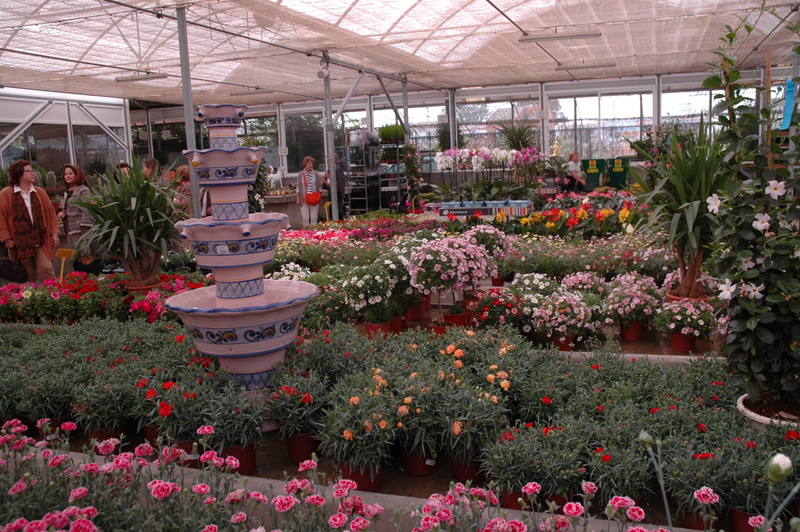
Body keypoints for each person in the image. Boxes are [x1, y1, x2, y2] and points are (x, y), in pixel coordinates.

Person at [0, 160, 60, 282]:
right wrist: (7, 239)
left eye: (32, 170)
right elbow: (1, 218)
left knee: (45, 268)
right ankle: (32, 294)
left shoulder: (40, 192)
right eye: (28, 171)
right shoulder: (6, 193)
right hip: (20, 243)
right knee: (28, 274)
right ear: (18, 174)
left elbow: (51, 214)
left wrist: (54, 233)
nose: (33, 173)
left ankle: (53, 292)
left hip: (41, 239)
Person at [57, 164, 92, 251]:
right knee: (75, 256)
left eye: (70, 173)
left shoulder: (83, 190)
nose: (67, 176)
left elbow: (87, 210)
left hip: (80, 231)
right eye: (66, 174)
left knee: (84, 255)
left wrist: (84, 230)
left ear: (77, 175)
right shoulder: (69, 191)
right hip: (70, 230)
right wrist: (62, 213)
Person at [295, 156, 329, 226]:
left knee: (314, 217)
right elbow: (298, 187)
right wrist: (298, 198)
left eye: (312, 163)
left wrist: (319, 197)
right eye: (309, 163)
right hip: (304, 198)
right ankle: (306, 230)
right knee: (305, 217)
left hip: (314, 197)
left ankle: (313, 230)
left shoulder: (316, 174)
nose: (311, 165)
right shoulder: (300, 174)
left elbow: (320, 186)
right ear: (305, 164)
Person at [332, 154, 347, 221]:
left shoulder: (338, 169)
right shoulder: (332, 169)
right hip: (334, 192)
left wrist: (342, 194)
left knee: (339, 209)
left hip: (337, 192)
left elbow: (341, 181)